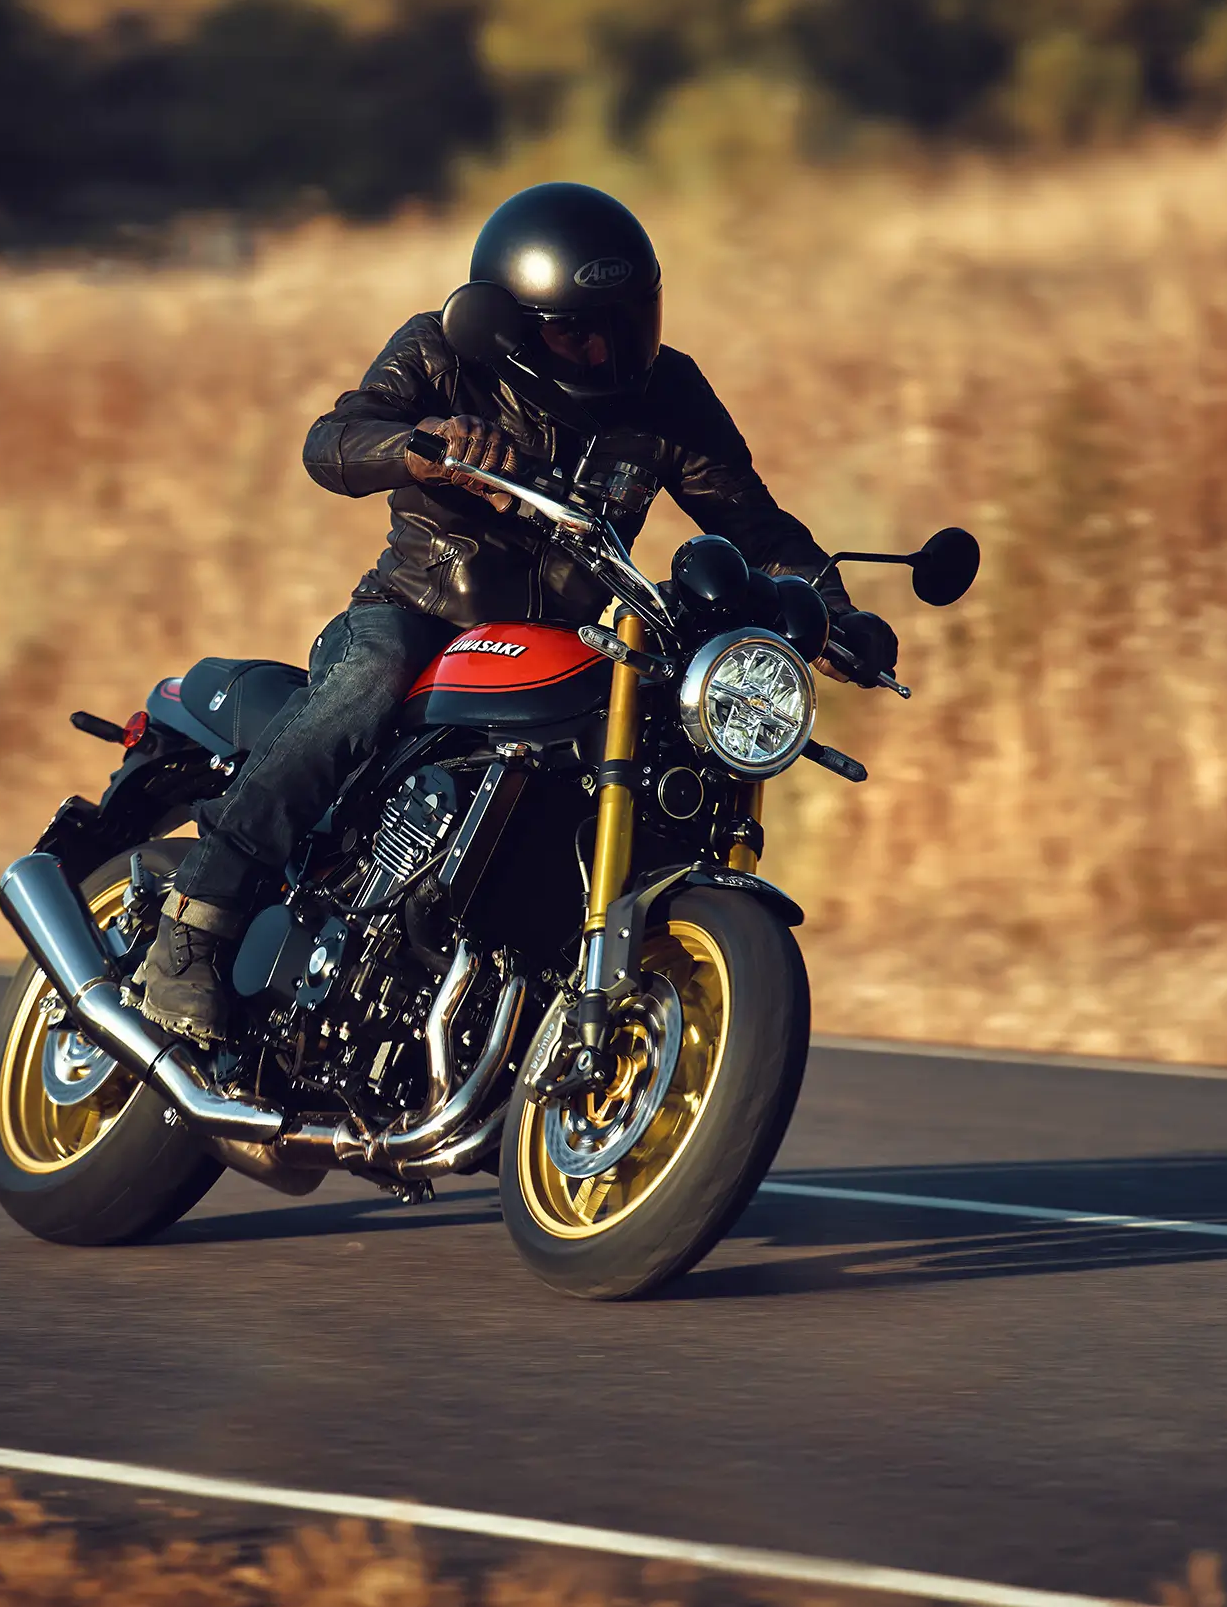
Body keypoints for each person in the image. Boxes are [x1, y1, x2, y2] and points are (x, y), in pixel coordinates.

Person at [137, 181, 897, 1037]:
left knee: (667, 738)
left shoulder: (668, 393)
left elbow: (752, 519)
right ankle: (197, 924)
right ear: (515, 327)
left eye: (626, 321)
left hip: (570, 641)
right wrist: (426, 452)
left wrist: (830, 611)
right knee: (365, 681)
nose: (608, 349)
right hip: (423, 613)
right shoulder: (441, 351)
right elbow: (334, 441)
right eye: (578, 329)